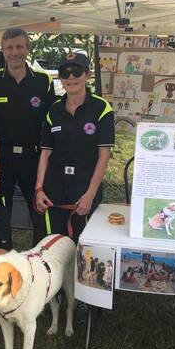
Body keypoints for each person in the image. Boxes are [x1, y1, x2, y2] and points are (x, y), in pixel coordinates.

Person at [0, 28, 55, 249]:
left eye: (19, 47)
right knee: (2, 212)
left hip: (32, 156)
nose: (14, 52)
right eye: (9, 48)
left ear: (27, 49)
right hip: (2, 157)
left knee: (38, 210)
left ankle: (40, 256)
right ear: (3, 51)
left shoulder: (43, 81)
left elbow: (52, 122)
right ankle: (2, 256)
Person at [35, 53, 114, 242]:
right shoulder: (53, 110)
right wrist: (39, 189)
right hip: (54, 186)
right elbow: (46, 152)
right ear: (60, 78)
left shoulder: (102, 109)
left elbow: (104, 155)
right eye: (65, 73)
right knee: (53, 242)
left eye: (76, 71)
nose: (71, 77)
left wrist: (90, 194)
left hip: (84, 186)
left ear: (87, 75)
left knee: (81, 243)